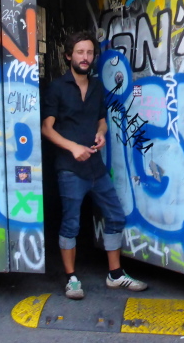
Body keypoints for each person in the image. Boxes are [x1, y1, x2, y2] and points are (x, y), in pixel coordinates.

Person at [41, 30, 148, 300]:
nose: (85, 57)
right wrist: (73, 147)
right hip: (69, 168)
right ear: (68, 56)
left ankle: (115, 275)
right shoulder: (57, 87)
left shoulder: (97, 86)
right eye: (80, 52)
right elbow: (46, 128)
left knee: (115, 216)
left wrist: (101, 133)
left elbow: (102, 120)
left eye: (89, 52)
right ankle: (71, 279)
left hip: (96, 168)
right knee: (71, 224)